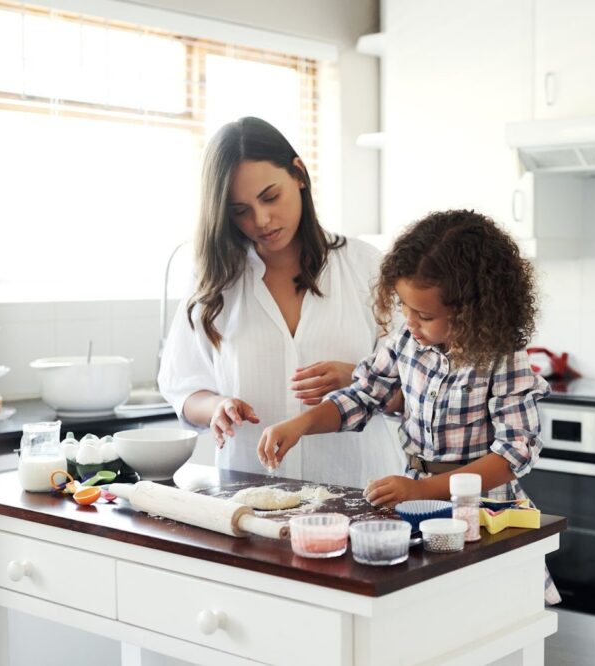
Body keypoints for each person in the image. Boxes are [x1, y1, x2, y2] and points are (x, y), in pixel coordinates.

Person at [256, 209, 560, 604]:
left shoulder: (502, 359)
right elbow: (363, 395)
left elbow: (512, 455)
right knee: (428, 613)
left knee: (488, 611)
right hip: (418, 505)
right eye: (404, 306)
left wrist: (422, 488)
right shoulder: (405, 341)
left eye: (425, 314)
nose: (410, 322)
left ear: (473, 311)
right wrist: (299, 425)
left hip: (486, 512)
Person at [158, 116, 404, 488]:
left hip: (362, 492)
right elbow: (183, 387)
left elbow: (420, 391)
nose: (261, 220)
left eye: (270, 196)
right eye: (240, 210)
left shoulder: (367, 267)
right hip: (251, 498)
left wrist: (358, 378)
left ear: (299, 175)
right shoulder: (214, 282)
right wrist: (216, 407)